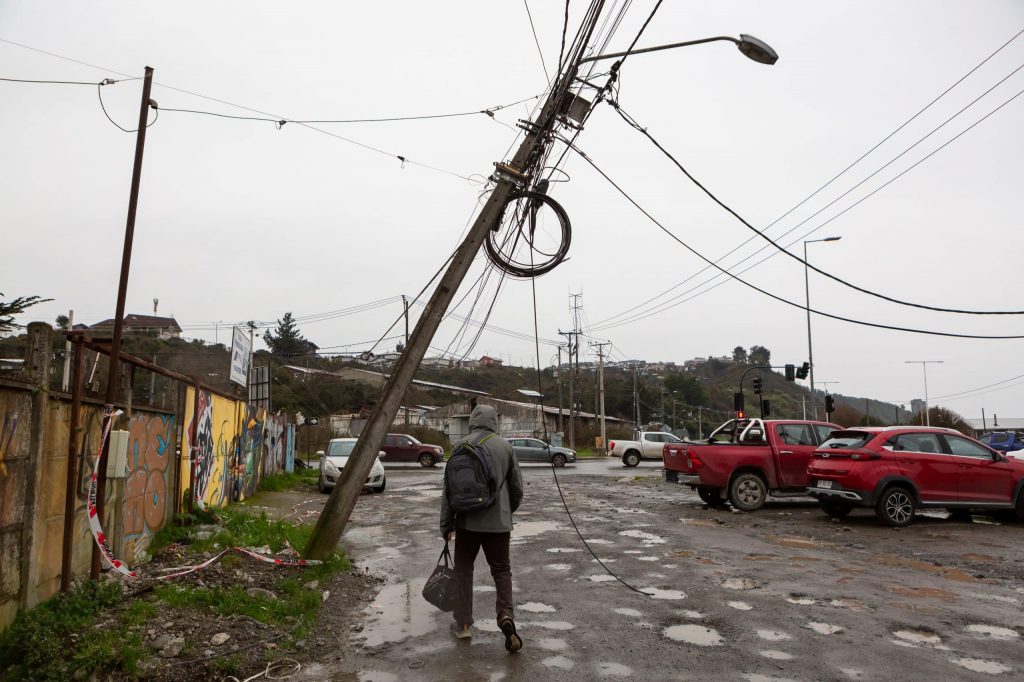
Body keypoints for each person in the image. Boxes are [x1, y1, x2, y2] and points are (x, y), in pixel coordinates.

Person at [439, 404, 524, 652]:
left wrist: (446, 524)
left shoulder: (460, 446)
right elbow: (517, 489)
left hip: (466, 522)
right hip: (498, 525)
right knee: (502, 571)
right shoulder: (505, 447)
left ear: (472, 421)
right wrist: (505, 511)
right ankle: (505, 615)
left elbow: (449, 490)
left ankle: (463, 623)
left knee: (463, 571)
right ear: (494, 421)